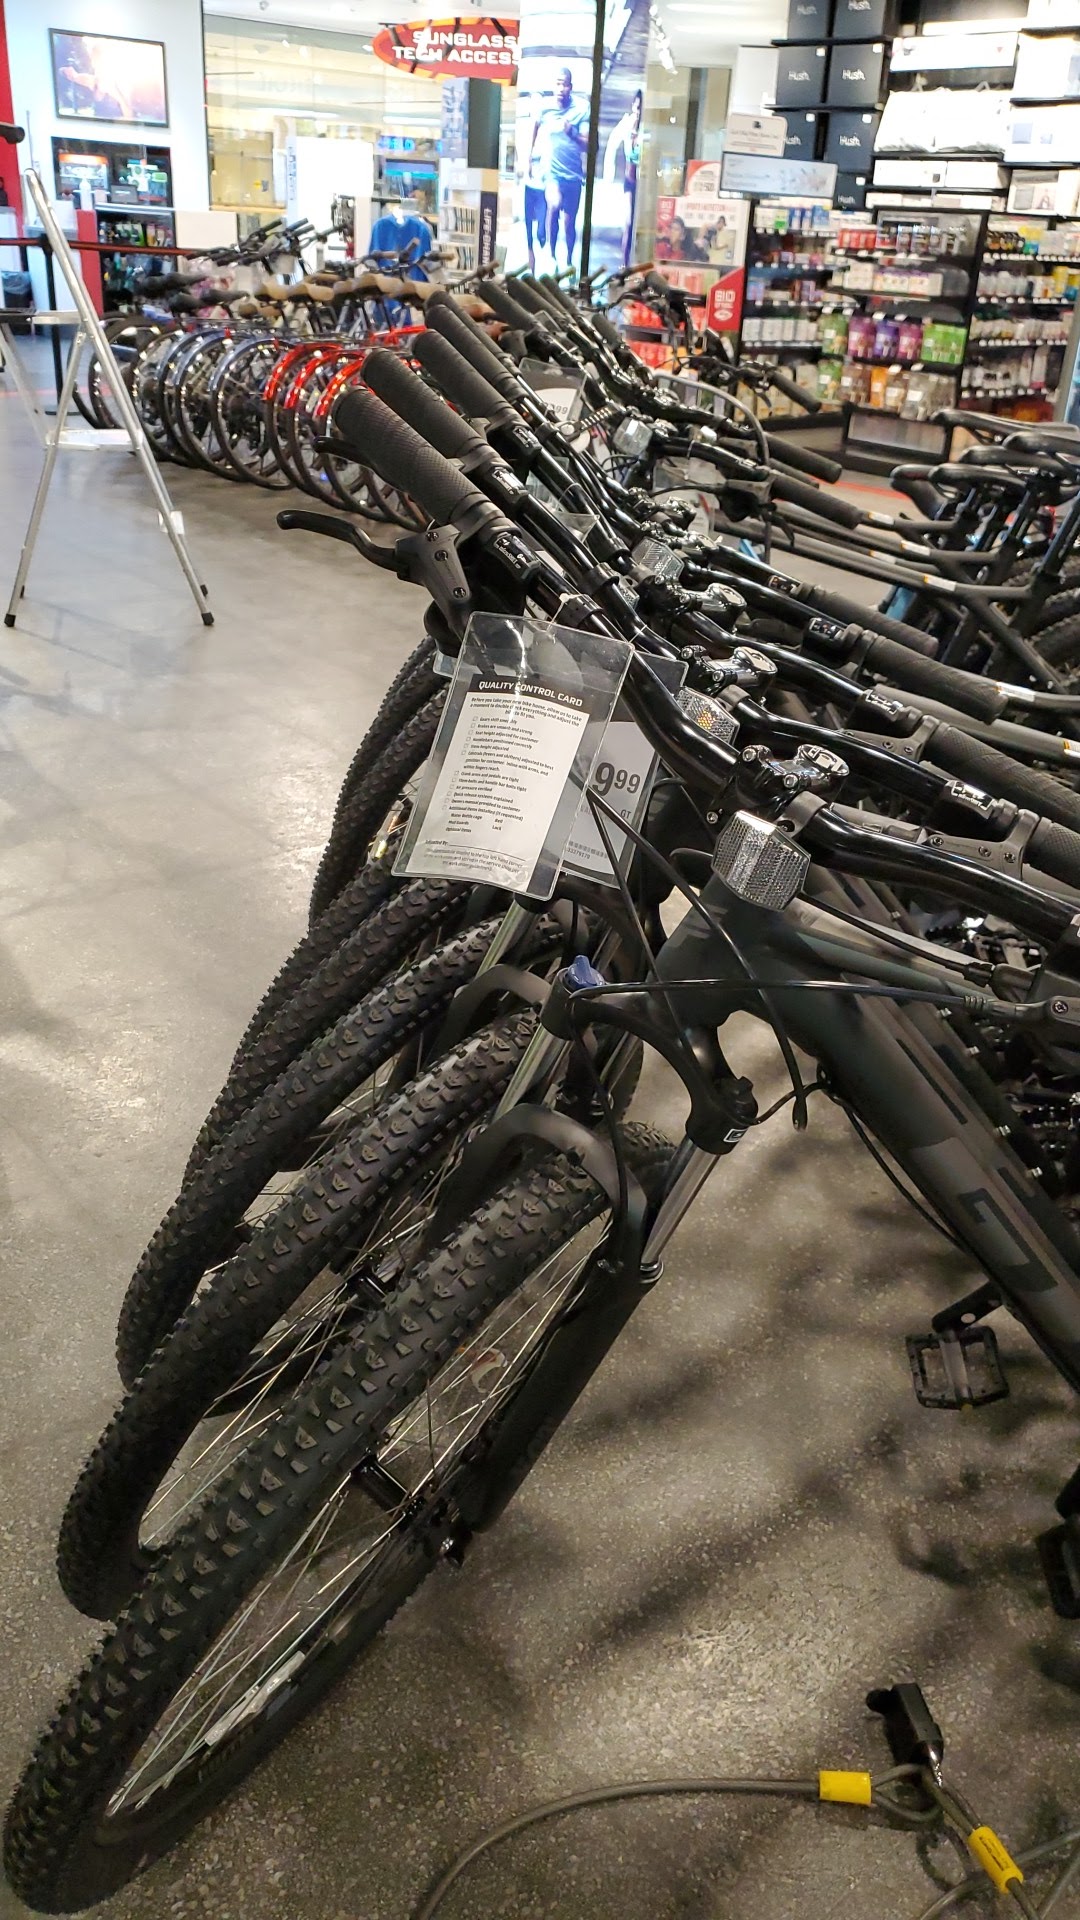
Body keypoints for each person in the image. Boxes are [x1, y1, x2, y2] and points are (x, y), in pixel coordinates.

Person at [527, 67, 589, 272]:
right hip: (551, 172)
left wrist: (572, 132)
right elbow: (534, 128)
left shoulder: (582, 108)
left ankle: (569, 261)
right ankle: (551, 256)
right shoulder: (544, 108)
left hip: (573, 175)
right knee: (553, 205)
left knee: (569, 223)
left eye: (565, 84)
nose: (561, 88)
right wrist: (529, 159)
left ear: (571, 87)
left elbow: (587, 144)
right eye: (558, 83)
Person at [603, 89, 643, 269]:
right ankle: (624, 265)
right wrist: (609, 175)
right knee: (627, 222)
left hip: (644, 184)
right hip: (629, 181)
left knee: (639, 225)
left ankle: (635, 264)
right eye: (636, 107)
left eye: (641, 108)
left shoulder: (646, 128)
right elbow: (612, 145)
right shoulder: (627, 123)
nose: (638, 112)